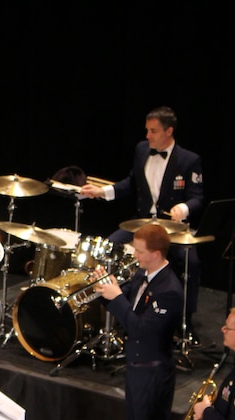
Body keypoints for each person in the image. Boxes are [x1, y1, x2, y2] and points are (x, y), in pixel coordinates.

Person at [80, 106, 205, 342]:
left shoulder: (189, 160)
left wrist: (183, 208)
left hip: (172, 229)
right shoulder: (141, 150)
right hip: (143, 224)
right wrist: (102, 191)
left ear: (169, 131)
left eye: (153, 131)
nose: (147, 136)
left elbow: (198, 197)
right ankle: (113, 310)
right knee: (109, 246)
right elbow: (131, 183)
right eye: (147, 130)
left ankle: (185, 322)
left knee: (191, 262)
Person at [93, 223, 184, 420]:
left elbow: (141, 328)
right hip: (137, 370)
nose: (135, 255)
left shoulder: (170, 290)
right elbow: (123, 309)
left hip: (153, 375)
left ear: (156, 254)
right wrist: (105, 292)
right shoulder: (142, 277)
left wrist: (116, 297)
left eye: (140, 251)